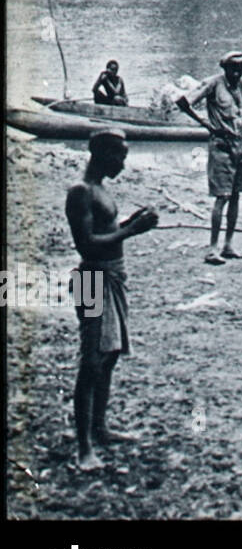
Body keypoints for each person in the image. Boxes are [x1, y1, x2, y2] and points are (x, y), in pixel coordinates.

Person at [64, 129, 159, 471]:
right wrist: (132, 231)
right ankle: (83, 447)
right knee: (91, 362)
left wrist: (132, 221)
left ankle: (100, 427)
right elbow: (87, 244)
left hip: (113, 276)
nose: (123, 163)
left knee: (111, 354)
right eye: (119, 156)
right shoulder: (81, 192)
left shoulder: (101, 190)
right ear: (101, 154)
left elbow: (107, 229)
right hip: (91, 278)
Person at [176, 50, 242, 266]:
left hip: (241, 145)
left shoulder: (241, 85)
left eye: (241, 69)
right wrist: (207, 125)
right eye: (233, 69)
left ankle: (228, 245)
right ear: (225, 68)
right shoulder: (213, 84)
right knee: (222, 197)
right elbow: (183, 102)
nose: (237, 73)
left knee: (237, 195)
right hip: (221, 146)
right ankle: (213, 248)